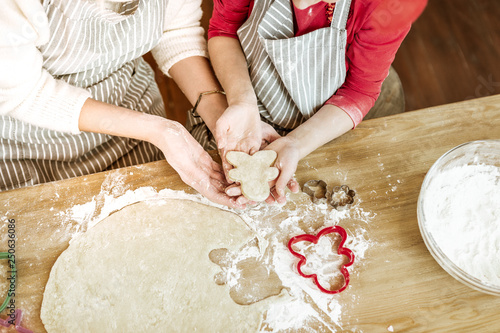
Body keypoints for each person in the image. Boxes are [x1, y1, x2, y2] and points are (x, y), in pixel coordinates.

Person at [0, 0, 250, 209]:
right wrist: (160, 131)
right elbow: (25, 93)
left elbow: (175, 31)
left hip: (133, 114)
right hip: (27, 144)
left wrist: (221, 120)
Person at [187, 0, 427, 204]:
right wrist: (242, 101)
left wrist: (295, 143)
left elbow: (359, 90)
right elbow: (225, 29)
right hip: (247, 94)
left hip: (331, 119)